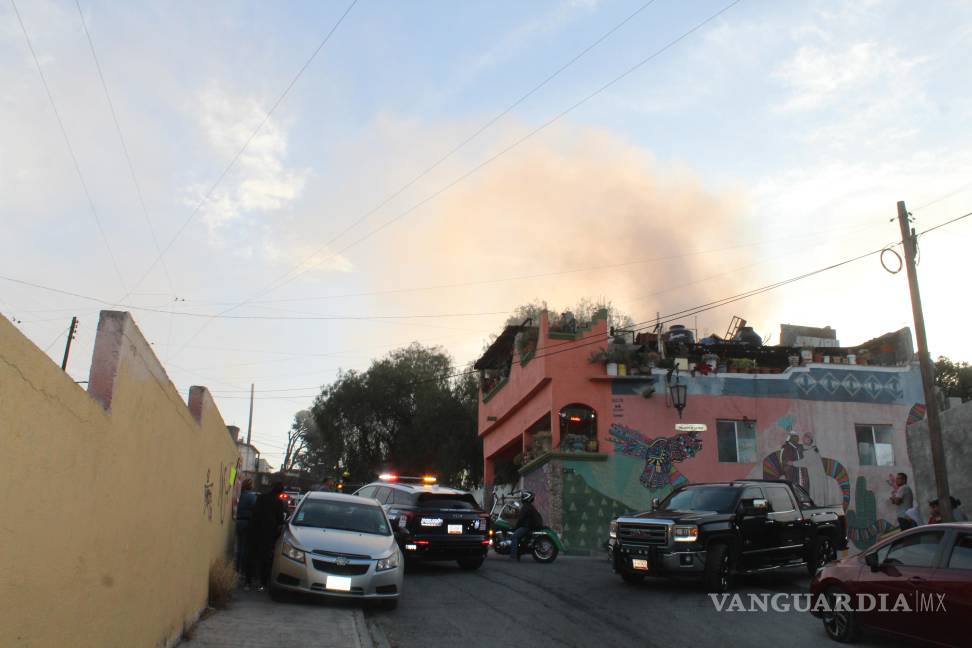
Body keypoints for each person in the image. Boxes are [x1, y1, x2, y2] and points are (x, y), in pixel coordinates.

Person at [246, 482, 287, 591]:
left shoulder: (261, 497)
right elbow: (280, 519)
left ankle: (248, 582)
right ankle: (262, 583)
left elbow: (254, 511)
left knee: (251, 556)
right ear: (280, 492)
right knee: (265, 559)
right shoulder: (278, 502)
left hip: (254, 529)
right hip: (268, 533)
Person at [510, 491, 542, 562]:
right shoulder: (529, 506)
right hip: (529, 526)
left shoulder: (526, 507)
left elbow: (521, 519)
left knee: (514, 536)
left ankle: (513, 556)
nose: (521, 498)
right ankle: (518, 553)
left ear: (525, 498)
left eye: (523, 496)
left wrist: (515, 527)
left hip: (526, 527)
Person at [234, 479, 257, 575]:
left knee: (239, 547)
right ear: (250, 486)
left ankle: (236, 568)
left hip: (238, 521)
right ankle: (242, 570)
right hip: (246, 522)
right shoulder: (252, 496)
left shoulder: (240, 495)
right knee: (244, 548)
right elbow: (256, 509)